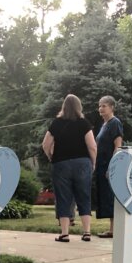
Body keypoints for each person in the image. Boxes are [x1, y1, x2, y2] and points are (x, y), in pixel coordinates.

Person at [42, 94, 97, 242]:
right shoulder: (84, 123)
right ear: (79, 107)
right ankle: (86, 232)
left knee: (63, 198)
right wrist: (93, 162)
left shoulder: (57, 123)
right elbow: (92, 146)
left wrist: (51, 157)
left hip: (61, 164)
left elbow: (46, 144)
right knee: (84, 196)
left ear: (63, 106)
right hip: (82, 163)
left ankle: (65, 233)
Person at [93, 96, 124, 236]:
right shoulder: (103, 125)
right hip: (100, 166)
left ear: (112, 107)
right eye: (99, 106)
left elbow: (118, 146)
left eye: (104, 106)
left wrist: (112, 166)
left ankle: (115, 230)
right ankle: (112, 229)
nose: (101, 108)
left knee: (111, 196)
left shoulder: (115, 123)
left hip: (108, 166)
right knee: (105, 196)